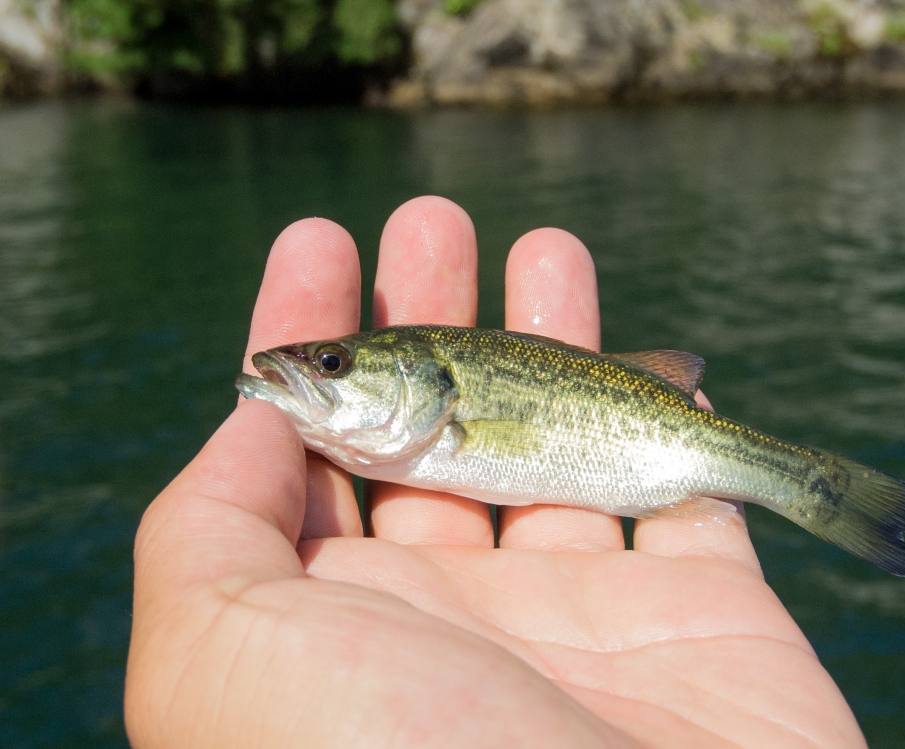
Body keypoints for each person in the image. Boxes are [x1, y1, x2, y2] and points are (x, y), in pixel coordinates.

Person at [124, 196, 866, 747]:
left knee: (790, 477)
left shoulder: (445, 403)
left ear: (430, 384)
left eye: (332, 364)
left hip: (662, 463)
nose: (312, 371)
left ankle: (808, 484)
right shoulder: (406, 411)